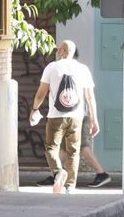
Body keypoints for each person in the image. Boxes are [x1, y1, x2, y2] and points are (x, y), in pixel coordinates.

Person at [28, 40, 99, 194]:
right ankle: (70, 186)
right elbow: (89, 97)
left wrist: (34, 109)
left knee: (51, 148)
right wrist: (94, 119)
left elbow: (41, 93)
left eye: (58, 49)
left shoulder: (52, 67)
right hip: (77, 116)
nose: (56, 51)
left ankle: (58, 171)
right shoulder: (83, 69)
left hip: (56, 116)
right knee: (73, 151)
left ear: (62, 51)